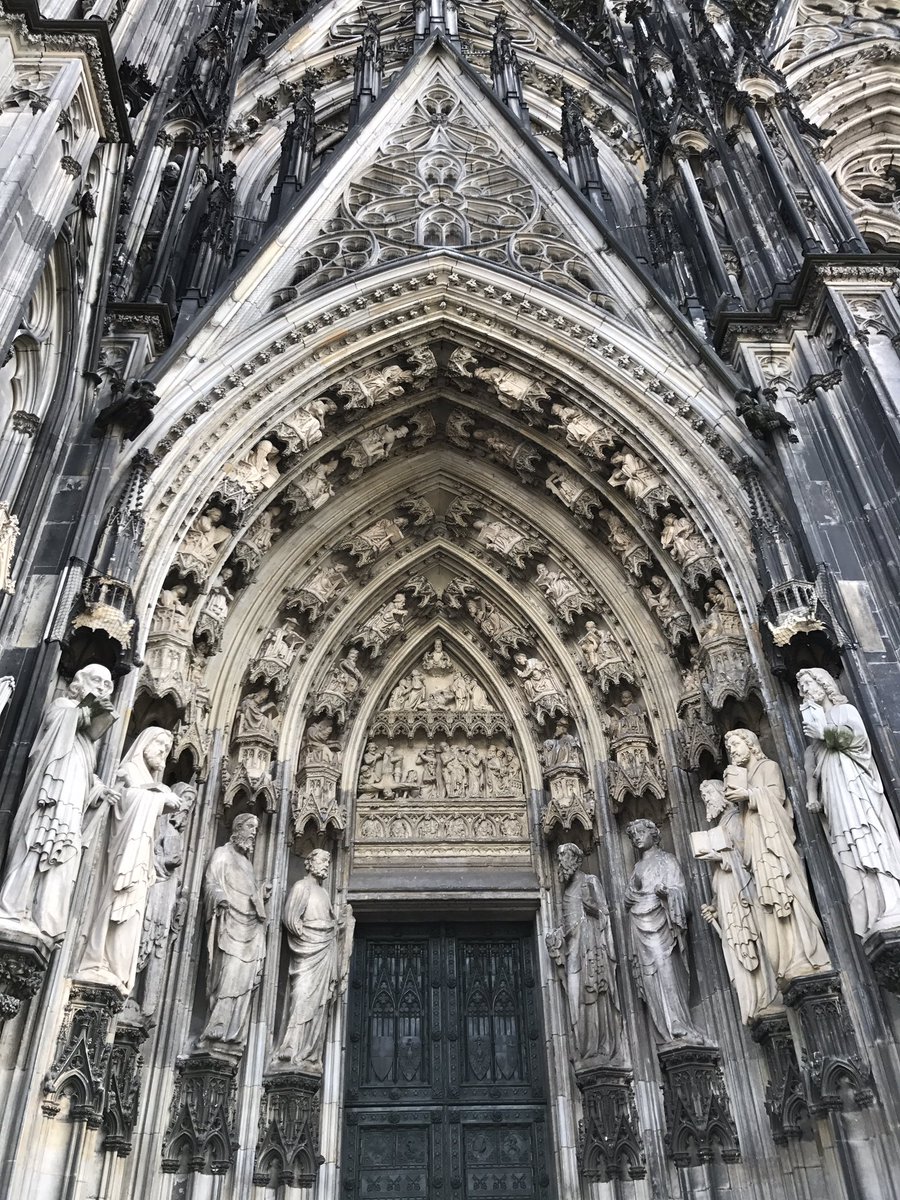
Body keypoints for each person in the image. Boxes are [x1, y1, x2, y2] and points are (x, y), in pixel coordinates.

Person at [0, 664, 118, 941]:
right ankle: (14, 907)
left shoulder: (87, 739)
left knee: (63, 848)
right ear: (79, 682)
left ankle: (43, 917)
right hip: (50, 796)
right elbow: (50, 740)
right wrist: (84, 712)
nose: (102, 687)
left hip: (72, 801)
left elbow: (84, 771)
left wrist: (98, 791)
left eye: (107, 685)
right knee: (38, 841)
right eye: (97, 681)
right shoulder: (63, 706)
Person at [78, 728, 195, 994]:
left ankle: (116, 970)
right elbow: (123, 800)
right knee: (117, 905)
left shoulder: (150, 780)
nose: (163, 751)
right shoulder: (128, 770)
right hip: (122, 857)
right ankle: (98, 961)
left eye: (168, 748)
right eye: (160, 744)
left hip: (140, 860)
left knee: (133, 914)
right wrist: (159, 799)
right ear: (144, 743)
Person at [798, 669, 900, 938]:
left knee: (867, 838)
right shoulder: (813, 744)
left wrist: (824, 732)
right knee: (847, 848)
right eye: (801, 687)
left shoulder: (845, 711)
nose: (805, 690)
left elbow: (859, 741)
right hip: (834, 795)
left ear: (824, 684)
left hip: (855, 789)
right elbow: (812, 774)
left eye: (808, 683)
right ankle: (870, 912)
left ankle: (891, 900)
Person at [724, 730, 830, 982]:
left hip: (774, 844)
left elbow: (778, 797)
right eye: (730, 749)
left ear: (750, 744)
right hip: (757, 846)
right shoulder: (744, 776)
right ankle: (787, 958)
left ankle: (803, 953)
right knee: (769, 899)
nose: (733, 751)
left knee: (785, 890)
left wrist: (749, 795)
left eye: (736, 745)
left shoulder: (768, 767)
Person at [695, 780, 779, 1024]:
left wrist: (721, 857)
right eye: (703, 797)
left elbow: (746, 857)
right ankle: (754, 1000)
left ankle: (766, 996)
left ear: (722, 794)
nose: (707, 800)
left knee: (750, 942)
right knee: (737, 949)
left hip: (741, 895)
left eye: (709, 794)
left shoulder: (733, 820)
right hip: (727, 898)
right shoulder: (721, 825)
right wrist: (715, 907)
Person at [624, 819, 705, 1045]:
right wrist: (629, 898)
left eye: (641, 832)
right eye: (633, 835)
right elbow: (631, 896)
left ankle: (680, 1023)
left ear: (654, 834)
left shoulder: (667, 860)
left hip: (662, 926)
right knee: (650, 980)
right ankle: (664, 1030)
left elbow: (682, 895)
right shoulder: (636, 868)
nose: (637, 837)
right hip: (640, 927)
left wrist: (668, 894)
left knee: (666, 968)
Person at [273, 849, 352, 1071]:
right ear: (309, 862)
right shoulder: (301, 887)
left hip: (324, 951)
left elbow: (329, 925)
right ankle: (291, 1049)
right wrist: (310, 934)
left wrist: (339, 925)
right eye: (322, 860)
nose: (326, 865)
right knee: (301, 996)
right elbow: (290, 919)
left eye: (328, 861)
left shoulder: (324, 893)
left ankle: (309, 1052)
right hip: (308, 952)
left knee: (319, 1004)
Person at [198, 814, 269, 1048]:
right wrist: (219, 897)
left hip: (250, 929)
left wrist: (260, 895)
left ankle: (233, 1031)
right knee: (228, 975)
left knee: (244, 980)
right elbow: (211, 883)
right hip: (229, 926)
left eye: (256, 829)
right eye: (250, 827)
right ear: (237, 828)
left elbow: (249, 897)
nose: (253, 833)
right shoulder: (222, 855)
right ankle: (217, 1025)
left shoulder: (247, 865)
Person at [547, 844, 619, 1062]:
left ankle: (598, 1046)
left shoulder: (590, 882)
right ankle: (584, 1046)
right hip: (573, 952)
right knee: (574, 996)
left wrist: (593, 910)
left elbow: (604, 915)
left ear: (577, 859)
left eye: (565, 857)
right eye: (559, 858)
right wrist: (557, 937)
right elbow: (569, 926)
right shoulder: (567, 891)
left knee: (591, 992)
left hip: (589, 949)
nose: (561, 862)